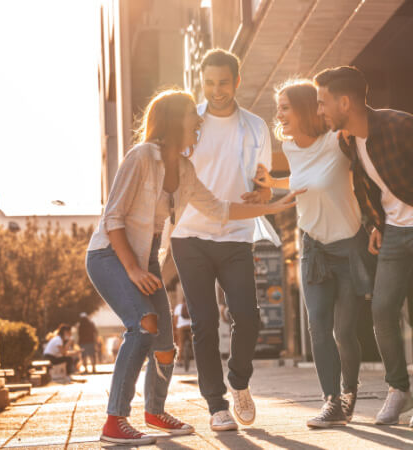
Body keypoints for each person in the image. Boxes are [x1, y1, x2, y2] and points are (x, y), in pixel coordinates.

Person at [85, 88, 303, 445]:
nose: (199, 122)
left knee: (166, 344)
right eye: (192, 117)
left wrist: (273, 208)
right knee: (143, 326)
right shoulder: (141, 157)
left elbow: (220, 209)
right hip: (111, 254)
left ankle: (154, 411)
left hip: (144, 259)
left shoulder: (183, 170)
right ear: (173, 121)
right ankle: (114, 421)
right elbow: (113, 219)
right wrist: (134, 271)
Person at [314, 66, 413, 429]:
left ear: (344, 101)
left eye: (323, 102)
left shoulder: (401, 126)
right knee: (381, 310)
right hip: (395, 232)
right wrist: (375, 225)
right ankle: (399, 389)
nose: (320, 111)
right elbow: (368, 187)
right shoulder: (349, 140)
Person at [254, 79, 375, 428]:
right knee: (318, 327)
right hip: (313, 249)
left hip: (348, 248)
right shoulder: (291, 148)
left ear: (307, 108)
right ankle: (331, 401)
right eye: (279, 107)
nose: (279, 113)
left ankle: (350, 391)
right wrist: (270, 183)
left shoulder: (337, 142)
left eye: (285, 106)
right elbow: (300, 179)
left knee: (344, 331)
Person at [170, 48, 280, 432]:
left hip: (235, 234)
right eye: (209, 83)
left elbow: (263, 182)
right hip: (189, 234)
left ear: (236, 81)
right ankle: (216, 404)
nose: (216, 91)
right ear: (202, 84)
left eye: (223, 82)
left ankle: (239, 381)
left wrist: (262, 196)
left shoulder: (255, 127)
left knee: (247, 316)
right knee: (202, 322)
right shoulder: (191, 123)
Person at [173, 302, 193, 371]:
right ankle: (199, 359)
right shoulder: (193, 305)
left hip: (181, 327)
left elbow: (175, 319)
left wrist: (176, 329)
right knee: (195, 342)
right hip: (191, 326)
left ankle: (179, 360)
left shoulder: (179, 306)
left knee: (180, 343)